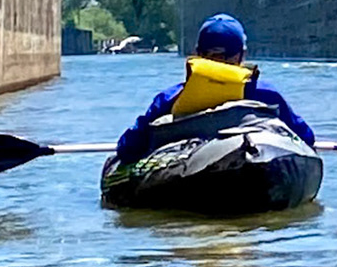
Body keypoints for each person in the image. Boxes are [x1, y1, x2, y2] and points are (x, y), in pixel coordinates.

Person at [115, 14, 314, 162]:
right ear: (242, 55)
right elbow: (306, 137)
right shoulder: (266, 94)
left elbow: (127, 148)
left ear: (198, 54)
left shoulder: (171, 98)